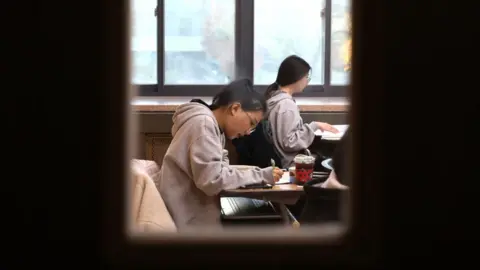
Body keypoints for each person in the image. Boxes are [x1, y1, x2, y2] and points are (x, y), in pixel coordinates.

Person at [158, 78, 283, 231]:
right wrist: (261, 176)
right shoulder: (204, 125)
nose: (248, 132)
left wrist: (260, 174)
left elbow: (221, 170)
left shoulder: (213, 126)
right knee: (270, 224)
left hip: (194, 214)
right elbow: (212, 180)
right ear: (235, 108)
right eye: (251, 123)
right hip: (188, 222)